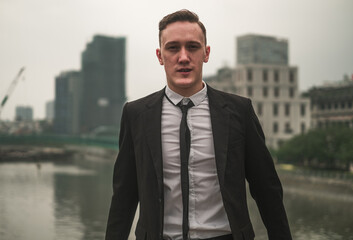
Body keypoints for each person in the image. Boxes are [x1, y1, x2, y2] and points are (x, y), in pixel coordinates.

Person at [105, 9, 292, 240]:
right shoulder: (136, 115)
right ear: (160, 55)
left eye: (192, 47)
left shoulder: (238, 111)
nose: (183, 57)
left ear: (206, 53)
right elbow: (124, 196)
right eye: (173, 48)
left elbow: (267, 190)